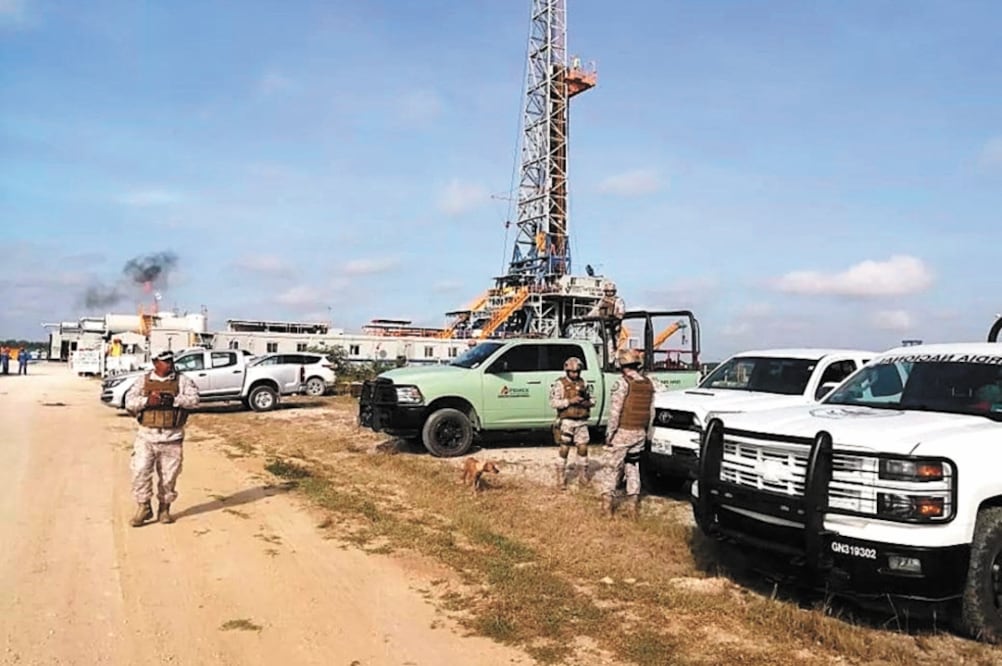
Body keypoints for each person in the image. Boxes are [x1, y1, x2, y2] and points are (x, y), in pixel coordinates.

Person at [124, 350, 200, 526]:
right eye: (164, 361)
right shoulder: (142, 381)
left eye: (170, 360)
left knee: (169, 477)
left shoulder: (182, 380)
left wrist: (174, 399)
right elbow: (129, 402)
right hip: (146, 437)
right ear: (155, 362)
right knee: (140, 471)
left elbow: (195, 400)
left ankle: (164, 509)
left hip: (172, 438)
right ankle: (143, 507)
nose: (169, 363)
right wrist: (147, 401)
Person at [599, 348, 655, 518]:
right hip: (640, 432)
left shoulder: (623, 383)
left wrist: (609, 434)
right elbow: (651, 412)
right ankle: (632, 507)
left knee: (612, 468)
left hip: (623, 432)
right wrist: (647, 432)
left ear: (622, 365)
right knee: (632, 467)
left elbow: (615, 412)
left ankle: (607, 508)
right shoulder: (648, 383)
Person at [548, 356, 595, 488]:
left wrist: (585, 402)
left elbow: (593, 400)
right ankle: (561, 477)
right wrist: (569, 401)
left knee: (583, 447)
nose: (575, 374)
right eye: (572, 372)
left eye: (577, 372)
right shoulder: (560, 384)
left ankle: (583, 475)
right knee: (564, 448)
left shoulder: (583, 383)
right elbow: (553, 402)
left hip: (581, 421)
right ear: (567, 371)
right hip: (567, 421)